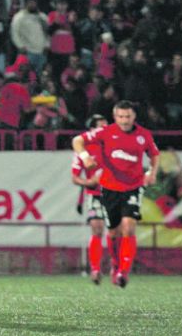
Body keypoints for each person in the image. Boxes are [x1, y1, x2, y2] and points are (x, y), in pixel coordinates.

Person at [72, 100, 159, 288]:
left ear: (134, 116)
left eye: (128, 116)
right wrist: (85, 158)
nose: (125, 120)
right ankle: (114, 264)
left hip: (133, 187)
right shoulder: (105, 133)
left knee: (128, 226)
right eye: (121, 116)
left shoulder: (143, 135)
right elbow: (77, 141)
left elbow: (154, 154)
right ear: (115, 117)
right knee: (112, 232)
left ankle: (123, 272)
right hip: (109, 189)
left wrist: (152, 173)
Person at [70, 114, 110, 284]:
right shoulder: (84, 150)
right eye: (101, 127)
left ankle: (118, 268)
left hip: (116, 194)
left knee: (118, 231)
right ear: (92, 130)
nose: (105, 130)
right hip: (95, 195)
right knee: (97, 229)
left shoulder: (116, 146)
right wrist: (89, 182)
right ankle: (95, 269)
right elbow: (74, 177)